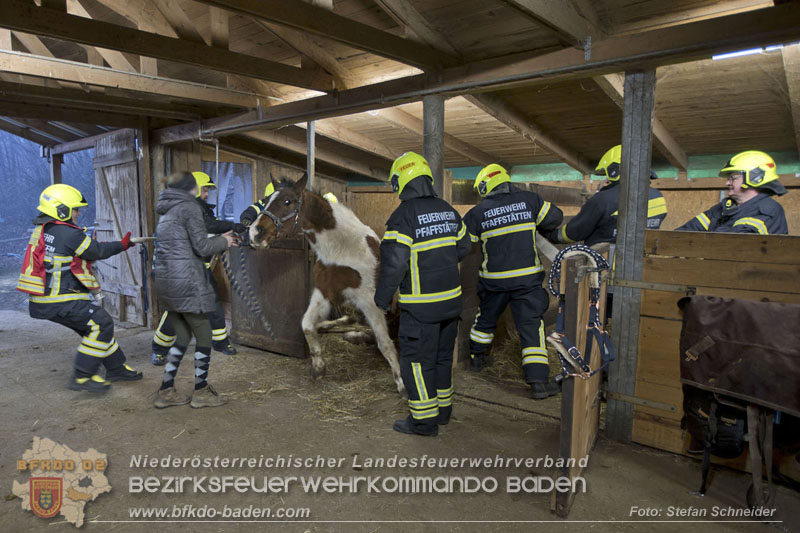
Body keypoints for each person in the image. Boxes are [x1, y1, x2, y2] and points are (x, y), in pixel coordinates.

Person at [374, 152, 471, 437]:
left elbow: (394, 264)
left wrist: (381, 300)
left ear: (400, 181)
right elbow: (464, 247)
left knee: (416, 363)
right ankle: (443, 412)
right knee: (442, 359)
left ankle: (423, 422)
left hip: (421, 308)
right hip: (451, 304)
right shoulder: (447, 209)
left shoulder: (403, 217)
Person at [16, 184, 141, 392]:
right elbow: (97, 251)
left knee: (91, 328)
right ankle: (82, 376)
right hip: (60, 300)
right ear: (61, 209)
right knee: (101, 323)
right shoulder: (67, 233)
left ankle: (116, 367)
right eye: (75, 209)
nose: (78, 212)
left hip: (44, 300)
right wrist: (124, 244)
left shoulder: (44, 229)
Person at [463, 164, 564, 399]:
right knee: (531, 329)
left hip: (493, 282)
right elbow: (555, 218)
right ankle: (538, 383)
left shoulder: (477, 213)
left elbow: (464, 242)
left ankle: (477, 360)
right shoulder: (529, 200)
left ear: (485, 187)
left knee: (485, 320)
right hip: (526, 282)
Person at [152, 171, 237, 409]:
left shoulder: (167, 211)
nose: (204, 193)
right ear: (192, 189)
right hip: (187, 281)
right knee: (203, 335)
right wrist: (225, 241)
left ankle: (166, 390)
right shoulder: (189, 208)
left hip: (168, 281)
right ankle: (201, 391)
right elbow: (201, 246)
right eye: (202, 189)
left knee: (182, 336)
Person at [548, 145, 667, 246]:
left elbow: (573, 233)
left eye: (607, 174)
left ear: (615, 170)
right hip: (643, 265)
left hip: (605, 267)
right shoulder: (658, 197)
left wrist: (550, 235)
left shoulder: (603, 200)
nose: (606, 179)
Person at [677, 150, 788, 234]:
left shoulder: (767, 210)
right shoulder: (724, 207)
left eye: (733, 178)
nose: (728, 183)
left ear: (755, 177)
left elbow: (730, 242)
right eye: (728, 179)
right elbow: (689, 230)